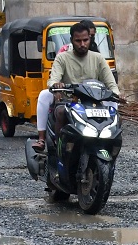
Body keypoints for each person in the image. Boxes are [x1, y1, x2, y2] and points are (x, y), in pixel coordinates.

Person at [36, 20, 123, 150]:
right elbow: (53, 79)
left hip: (94, 101)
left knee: (113, 109)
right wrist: (56, 85)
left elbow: (111, 83)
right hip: (69, 100)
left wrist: (116, 94)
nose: (82, 44)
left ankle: (111, 143)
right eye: (78, 41)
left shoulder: (98, 58)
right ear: (71, 40)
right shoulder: (62, 58)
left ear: (90, 39)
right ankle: (45, 140)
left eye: (85, 40)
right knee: (46, 97)